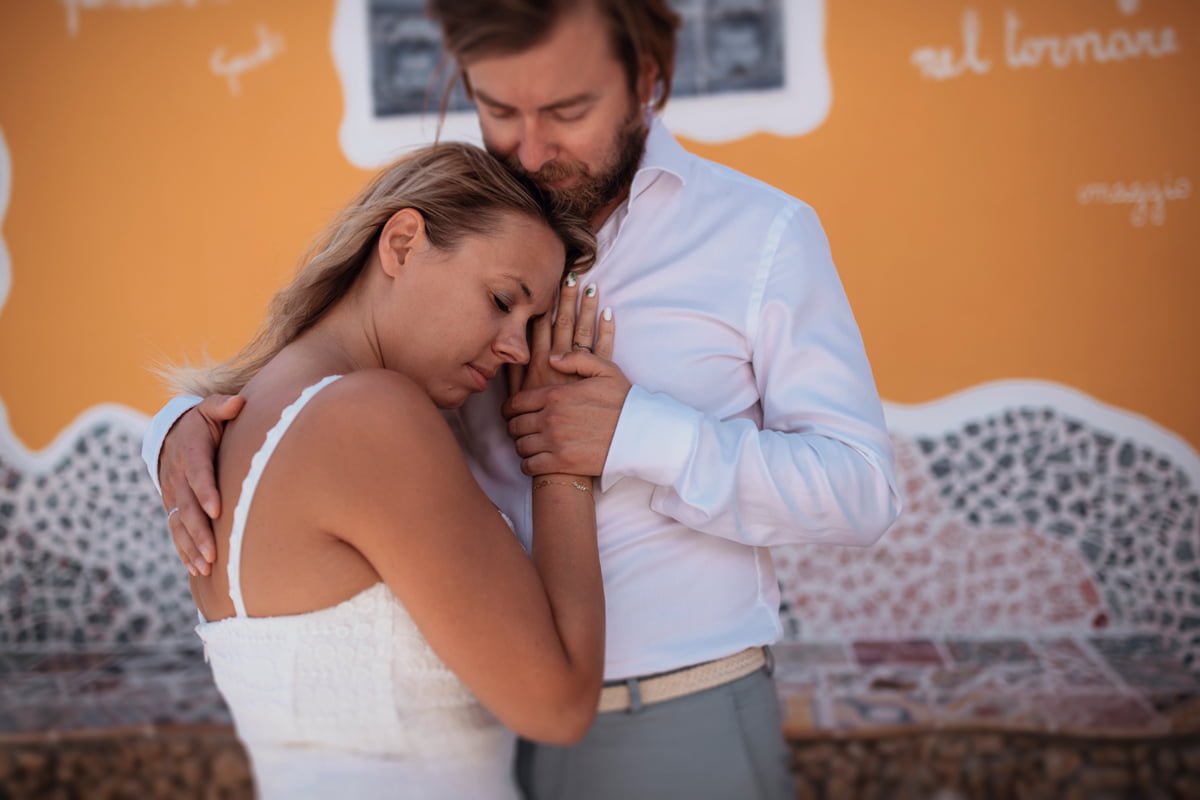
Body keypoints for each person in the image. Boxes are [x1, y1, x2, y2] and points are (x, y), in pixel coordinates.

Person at [144, 2, 903, 797]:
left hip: (680, 719)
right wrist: (181, 428)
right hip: (481, 720)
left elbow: (862, 488)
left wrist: (641, 435)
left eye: (567, 111)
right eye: (500, 110)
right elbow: (329, 410)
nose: (531, 149)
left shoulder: (761, 234)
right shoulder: (466, 221)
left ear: (647, 80)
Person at [158, 141, 623, 799]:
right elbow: (559, 707)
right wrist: (559, 455)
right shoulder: (370, 416)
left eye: (533, 322)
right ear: (402, 244)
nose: (519, 349)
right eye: (501, 300)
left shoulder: (234, 421)